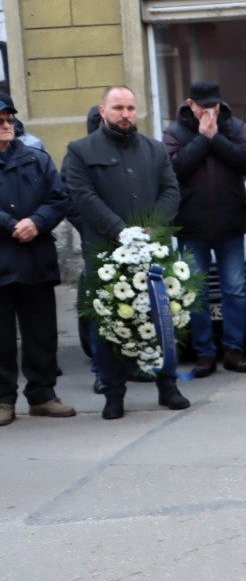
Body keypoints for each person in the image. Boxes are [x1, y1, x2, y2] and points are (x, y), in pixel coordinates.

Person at [63, 85, 190, 420]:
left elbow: (170, 190)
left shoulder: (154, 149)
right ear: (103, 111)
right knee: (108, 323)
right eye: (118, 108)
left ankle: (168, 385)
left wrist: (151, 228)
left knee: (162, 319)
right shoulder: (79, 150)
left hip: (152, 249)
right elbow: (82, 195)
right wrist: (120, 230)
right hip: (106, 250)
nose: (125, 114)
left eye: (131, 108)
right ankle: (113, 392)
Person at [163, 80, 246, 376]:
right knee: (197, 292)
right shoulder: (174, 132)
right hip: (192, 225)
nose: (210, 112)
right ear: (190, 105)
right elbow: (174, 168)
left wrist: (215, 137)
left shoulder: (234, 126)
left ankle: (234, 350)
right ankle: (204, 353)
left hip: (230, 223)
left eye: (215, 107)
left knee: (234, 290)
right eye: (204, 107)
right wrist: (203, 140)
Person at [0, 95, 75, 423]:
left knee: (41, 333)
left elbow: (59, 198)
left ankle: (42, 394)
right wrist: (11, 224)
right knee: (0, 337)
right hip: (1, 259)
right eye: (0, 122)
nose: (7, 127)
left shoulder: (36, 158)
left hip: (35, 259)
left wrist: (37, 222)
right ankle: (3, 400)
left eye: (9, 120)